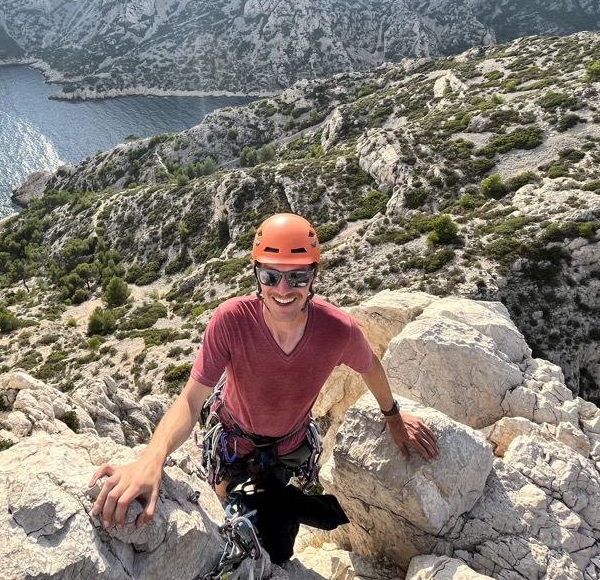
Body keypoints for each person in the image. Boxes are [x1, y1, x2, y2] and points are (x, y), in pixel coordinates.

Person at [89, 212, 439, 540]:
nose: (283, 290)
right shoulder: (231, 321)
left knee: (278, 542)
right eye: (271, 276)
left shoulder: (338, 331)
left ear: (314, 275)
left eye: (297, 277)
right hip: (233, 443)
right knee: (234, 519)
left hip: (289, 447)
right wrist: (152, 458)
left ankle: (281, 508)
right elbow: (192, 399)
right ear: (256, 274)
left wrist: (393, 417)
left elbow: (371, 367)